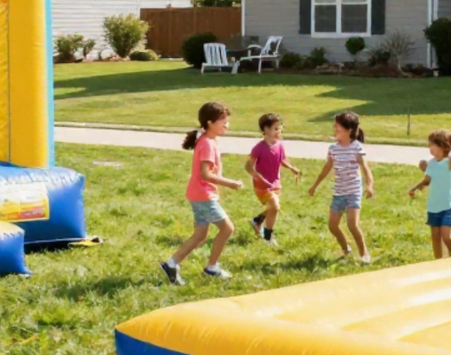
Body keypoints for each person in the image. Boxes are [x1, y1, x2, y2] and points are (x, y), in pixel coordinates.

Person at [160, 101, 243, 284]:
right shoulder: (207, 143)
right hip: (203, 195)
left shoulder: (209, 140)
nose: (227, 125)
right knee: (227, 228)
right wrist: (230, 183)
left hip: (199, 194)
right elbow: (205, 174)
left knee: (200, 235)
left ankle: (171, 264)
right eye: (223, 121)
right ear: (210, 123)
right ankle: (212, 267)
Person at [308, 110, 375, 263]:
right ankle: (346, 249)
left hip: (353, 191)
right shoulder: (333, 149)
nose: (334, 128)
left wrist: (369, 185)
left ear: (349, 130)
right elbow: (327, 168)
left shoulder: (356, 147)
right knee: (332, 226)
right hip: (339, 191)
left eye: (337, 127)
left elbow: (365, 168)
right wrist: (314, 186)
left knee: (352, 224)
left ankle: (364, 254)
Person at [244, 113, 302, 247]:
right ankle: (268, 237)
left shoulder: (279, 145)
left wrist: (292, 168)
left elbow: (281, 159)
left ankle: (257, 221)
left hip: (276, 183)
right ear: (266, 129)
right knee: (275, 207)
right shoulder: (259, 148)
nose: (279, 131)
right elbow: (248, 166)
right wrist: (257, 177)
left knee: (272, 208)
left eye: (280, 128)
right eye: (275, 129)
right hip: (262, 186)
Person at [409, 129, 451, 259]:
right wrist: (416, 188)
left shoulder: (450, 163)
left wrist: (450, 151)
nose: (429, 148)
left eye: (431, 144)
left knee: (446, 235)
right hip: (433, 206)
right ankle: (437, 261)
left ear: (442, 145)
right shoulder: (431, 164)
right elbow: (427, 180)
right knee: (435, 235)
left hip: (448, 205)